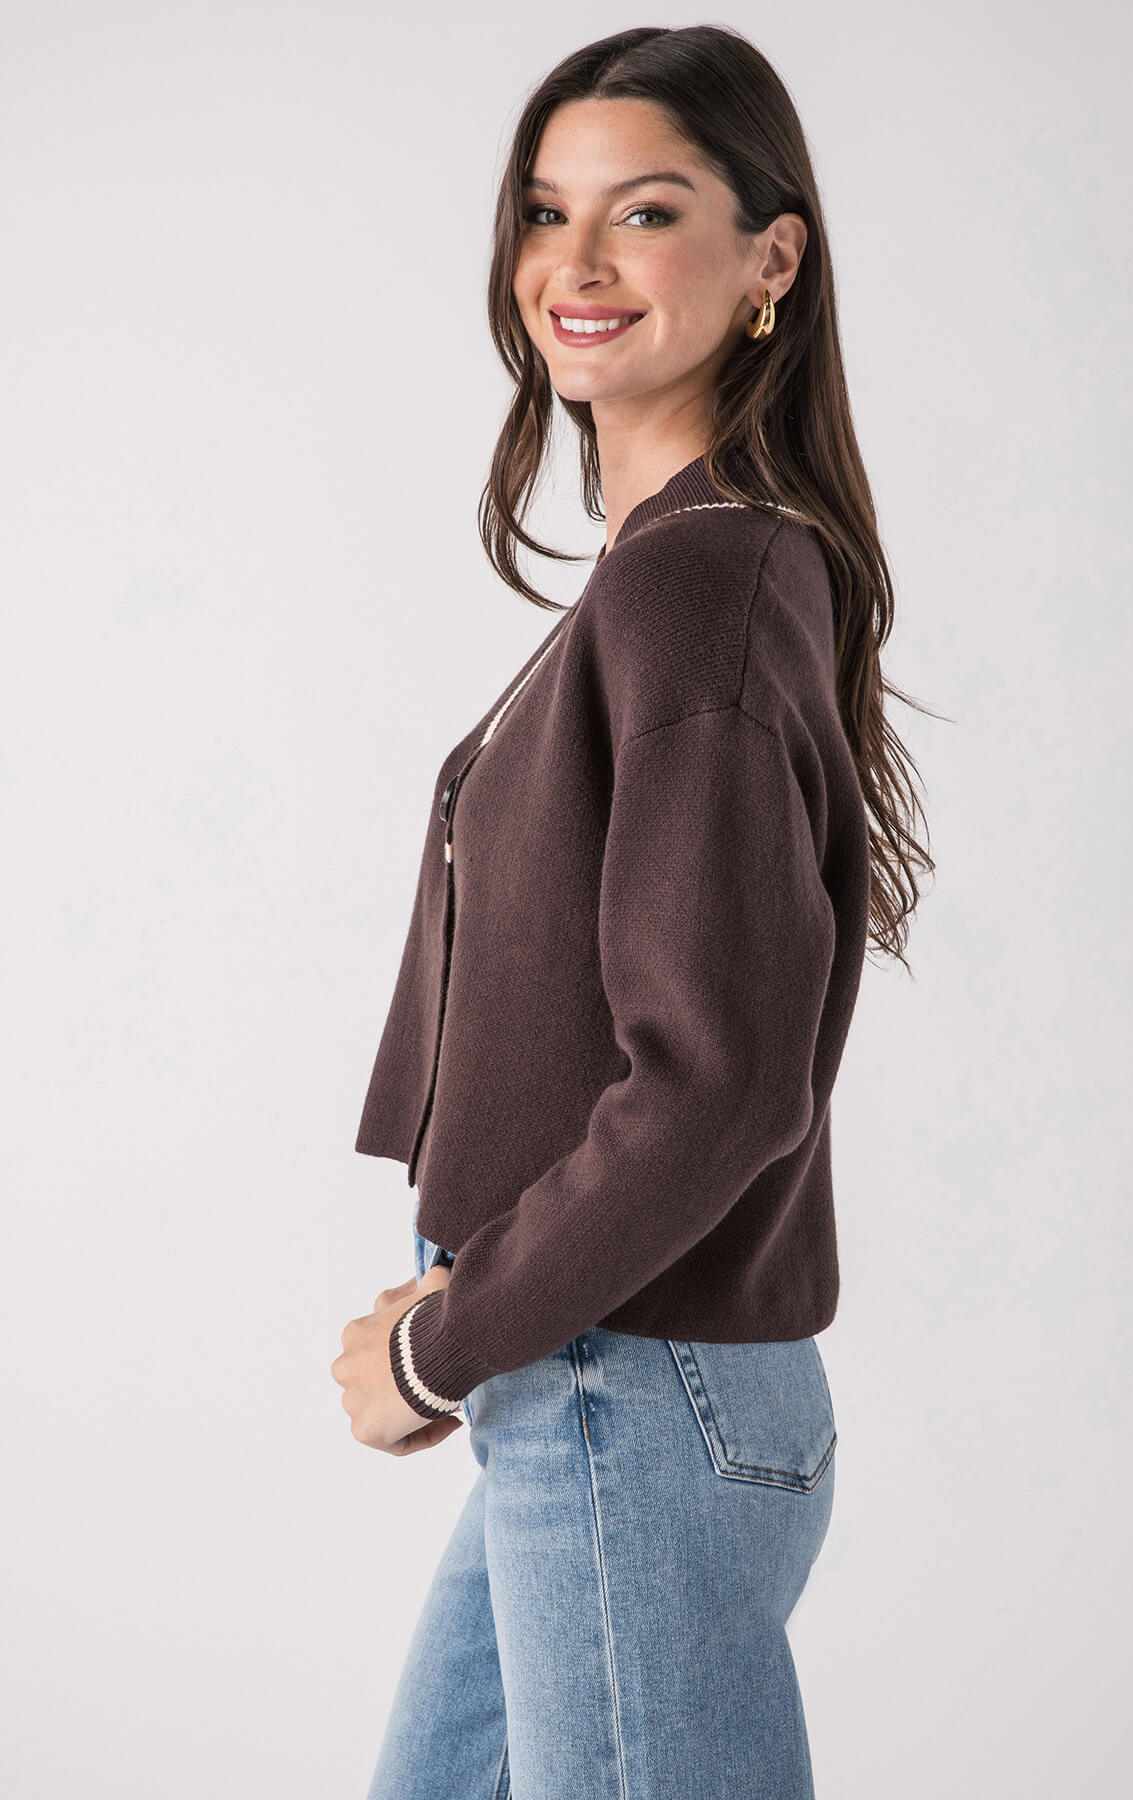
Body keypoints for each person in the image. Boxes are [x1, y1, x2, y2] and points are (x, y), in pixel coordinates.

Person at [330, 24, 934, 1800]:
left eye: (646, 211)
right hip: (595, 1372)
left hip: (623, 1377)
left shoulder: (699, 586)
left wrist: (439, 1346)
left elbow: (718, 1081)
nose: (575, 264)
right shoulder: (675, 573)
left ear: (772, 260)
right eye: (546, 212)